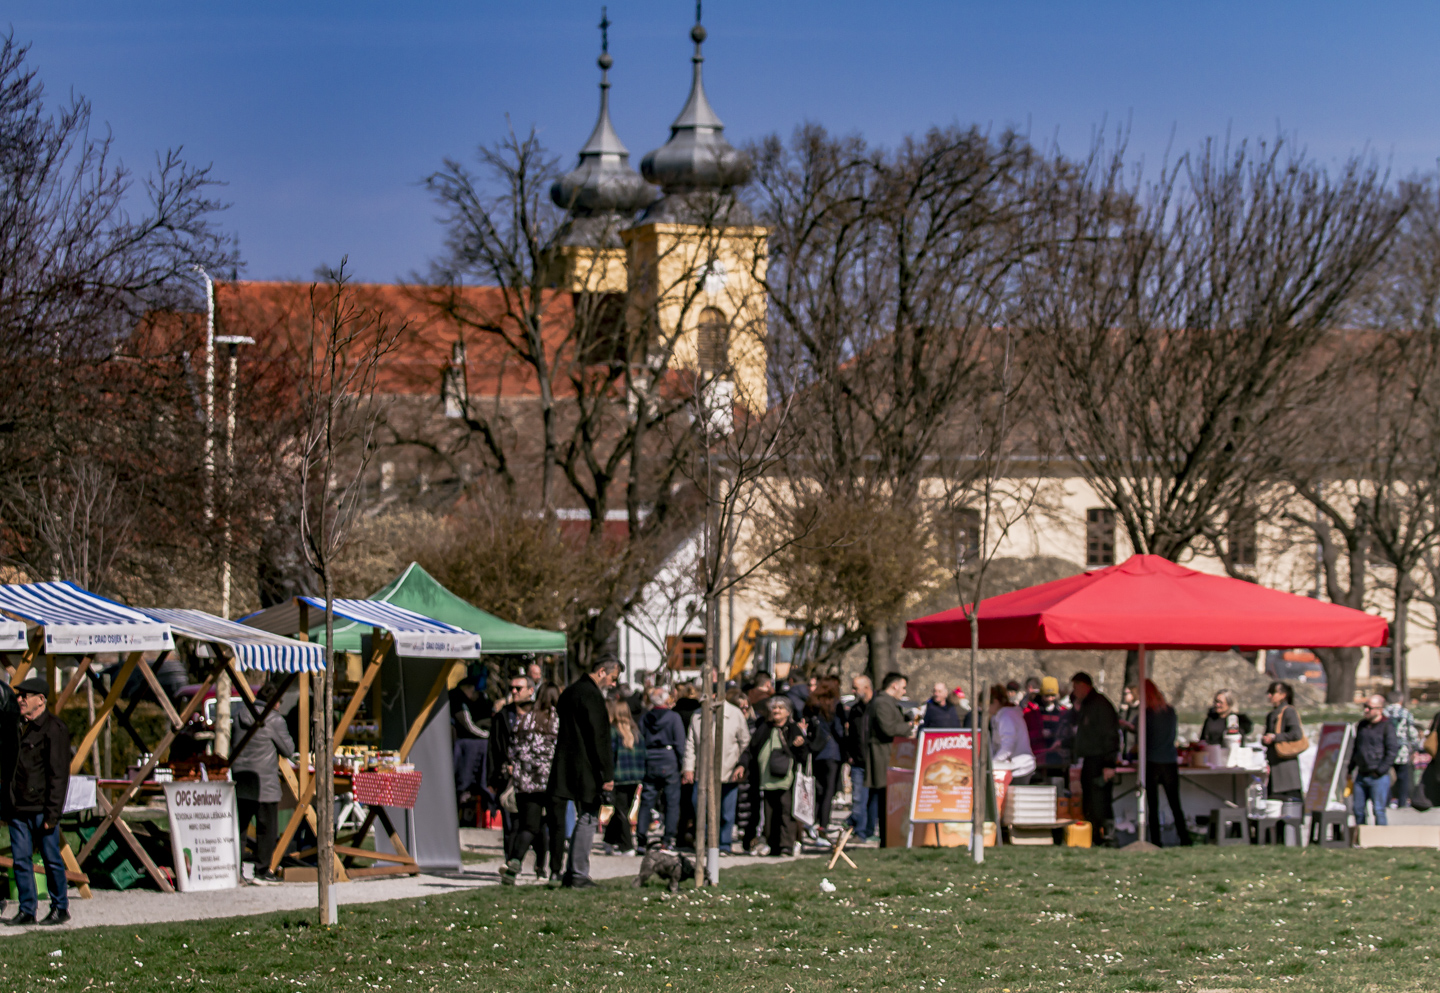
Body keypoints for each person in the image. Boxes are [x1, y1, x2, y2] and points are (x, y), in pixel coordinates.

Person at [2, 675, 71, 925]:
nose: (20, 700)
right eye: (19, 695)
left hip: (42, 808)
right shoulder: (17, 726)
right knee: (21, 861)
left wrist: (53, 814)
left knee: (52, 860)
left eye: (25, 696)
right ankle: (27, 910)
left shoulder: (54, 729)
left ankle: (60, 907)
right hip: (17, 807)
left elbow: (59, 775)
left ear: (40, 700)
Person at [548, 655, 620, 888]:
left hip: (566, 762)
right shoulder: (592, 696)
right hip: (587, 766)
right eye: (613, 678)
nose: (613, 684)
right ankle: (578, 872)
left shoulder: (570, 692)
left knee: (579, 817)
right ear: (601, 671)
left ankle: (569, 871)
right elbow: (600, 736)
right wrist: (607, 774)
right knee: (589, 816)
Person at [501, 684, 566, 886]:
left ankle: (515, 861)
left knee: (529, 826)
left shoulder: (525, 719)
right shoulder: (558, 720)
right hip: (553, 780)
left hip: (526, 781)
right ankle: (555, 872)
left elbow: (512, 750)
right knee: (556, 826)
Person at [230, 683, 296, 883]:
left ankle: (236, 867)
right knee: (266, 829)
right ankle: (261, 870)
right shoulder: (274, 720)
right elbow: (288, 750)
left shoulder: (239, 715)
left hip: (241, 778)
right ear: (275, 702)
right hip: (264, 781)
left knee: (240, 828)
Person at [739, 696, 813, 856]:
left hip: (786, 778)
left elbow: (803, 754)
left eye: (780, 708)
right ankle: (773, 845)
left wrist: (801, 744)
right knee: (769, 813)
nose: (776, 710)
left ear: (788, 712)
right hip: (766, 779)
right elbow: (751, 749)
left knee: (786, 812)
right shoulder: (764, 728)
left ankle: (786, 845)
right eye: (774, 708)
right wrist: (742, 765)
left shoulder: (792, 729)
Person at [682, 685, 752, 854]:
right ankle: (706, 842)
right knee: (700, 808)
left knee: (726, 812)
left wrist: (741, 765)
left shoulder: (735, 714)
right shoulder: (697, 715)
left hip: (728, 771)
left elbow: (745, 742)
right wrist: (688, 768)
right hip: (703, 772)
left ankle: (724, 844)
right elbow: (691, 744)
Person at [487, 674, 537, 867]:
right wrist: (492, 777)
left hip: (534, 777)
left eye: (518, 688)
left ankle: (540, 865)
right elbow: (493, 747)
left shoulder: (539, 714)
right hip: (508, 776)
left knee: (533, 823)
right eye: (512, 688)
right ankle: (510, 863)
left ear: (531, 690)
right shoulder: (503, 715)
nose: (514, 692)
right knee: (510, 823)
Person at [866, 672, 919, 847]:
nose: (904, 692)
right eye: (903, 688)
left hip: (889, 755)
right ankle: (886, 840)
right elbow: (888, 728)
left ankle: (891, 839)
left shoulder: (887, 702)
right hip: (883, 757)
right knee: (885, 800)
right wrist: (908, 726)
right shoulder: (882, 702)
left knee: (888, 799)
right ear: (894, 685)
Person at [1069, 672, 1119, 847]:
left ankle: (1107, 837)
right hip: (1091, 758)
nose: (1074, 692)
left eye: (1075, 687)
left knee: (1100, 800)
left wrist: (1109, 763)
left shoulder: (1100, 705)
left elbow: (1110, 735)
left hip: (1100, 759)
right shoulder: (1088, 704)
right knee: (1091, 800)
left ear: (1084, 686)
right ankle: (1094, 836)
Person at [1141, 679, 1191, 847]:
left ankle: (1156, 841)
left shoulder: (1148, 713)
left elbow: (1144, 737)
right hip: (1169, 760)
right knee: (1175, 803)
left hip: (1152, 761)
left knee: (1153, 805)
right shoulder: (1169, 711)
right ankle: (1184, 838)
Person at [636, 686, 686, 851]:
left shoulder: (646, 718)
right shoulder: (673, 718)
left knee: (647, 801)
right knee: (672, 803)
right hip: (669, 759)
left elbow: (640, 739)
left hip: (650, 759)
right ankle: (667, 839)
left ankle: (641, 838)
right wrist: (683, 764)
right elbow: (680, 743)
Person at [801, 676, 844, 845]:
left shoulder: (812, 704)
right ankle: (823, 827)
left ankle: (812, 822)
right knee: (828, 792)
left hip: (817, 750)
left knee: (818, 790)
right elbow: (838, 729)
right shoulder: (835, 705)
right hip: (832, 751)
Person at [1350, 693, 1400, 826]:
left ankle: (1381, 836)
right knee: (1358, 810)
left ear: (1379, 709)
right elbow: (1356, 748)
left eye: (1369, 708)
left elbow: (1392, 751)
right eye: (1365, 707)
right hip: (1361, 774)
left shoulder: (1387, 726)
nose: (1366, 710)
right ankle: (1360, 835)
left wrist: (1380, 770)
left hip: (1378, 776)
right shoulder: (1362, 725)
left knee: (1378, 810)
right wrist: (1350, 769)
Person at [603, 699, 645, 855]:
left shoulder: (613, 732)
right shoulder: (636, 731)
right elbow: (643, 754)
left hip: (619, 776)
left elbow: (610, 756)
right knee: (623, 810)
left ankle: (626, 845)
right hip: (634, 776)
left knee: (621, 811)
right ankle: (609, 840)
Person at [842, 675, 877, 843]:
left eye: (856, 688)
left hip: (874, 760)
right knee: (858, 799)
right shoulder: (855, 710)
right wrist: (850, 755)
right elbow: (851, 735)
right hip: (858, 761)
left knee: (872, 800)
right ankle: (859, 831)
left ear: (867, 688)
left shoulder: (877, 707)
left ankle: (868, 830)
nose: (853, 691)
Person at [450, 675, 491, 814]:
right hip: (456, 743)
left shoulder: (455, 697)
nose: (473, 695)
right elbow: (468, 725)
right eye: (473, 691)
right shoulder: (458, 700)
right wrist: (486, 735)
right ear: (467, 688)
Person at [1261, 681, 1305, 801]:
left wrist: (1275, 737)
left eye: (1273, 692)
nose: (1269, 696)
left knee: (1291, 800)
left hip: (1286, 764)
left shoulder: (1289, 711)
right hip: (1273, 763)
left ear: (1283, 695)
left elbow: (1296, 734)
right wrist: (1265, 739)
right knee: (1273, 800)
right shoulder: (1271, 714)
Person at [1024, 676, 1069, 779]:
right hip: (1038, 755)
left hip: (1057, 757)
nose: (1050, 699)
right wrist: (1040, 733)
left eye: (1052, 695)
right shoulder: (1031, 711)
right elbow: (1024, 733)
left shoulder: (1062, 712)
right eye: (1047, 696)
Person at [987, 684, 1036, 780]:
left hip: (1020, 767)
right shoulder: (998, 717)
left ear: (995, 702)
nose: (986, 710)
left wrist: (993, 763)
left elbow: (1008, 746)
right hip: (1012, 766)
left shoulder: (1006, 716)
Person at [1383, 692, 1421, 809]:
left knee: (1385, 775)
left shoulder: (1384, 713)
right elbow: (1412, 732)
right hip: (1402, 749)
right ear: (1401, 700)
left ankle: (1387, 800)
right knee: (1403, 776)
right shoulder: (1405, 713)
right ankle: (1402, 801)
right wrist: (1415, 747)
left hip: (1385, 749)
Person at [1117, 685, 1140, 762]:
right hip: (1124, 746)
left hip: (1133, 749)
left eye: (1126, 693)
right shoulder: (1125, 709)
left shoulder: (1139, 710)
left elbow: (1137, 728)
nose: (1124, 696)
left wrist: (1127, 724)